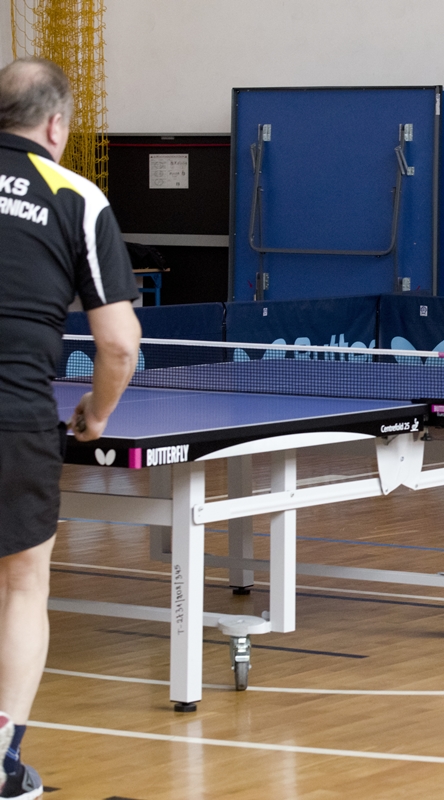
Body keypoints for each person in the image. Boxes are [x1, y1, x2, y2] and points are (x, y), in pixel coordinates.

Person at [0, 57, 141, 798]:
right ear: (56, 125)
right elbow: (118, 344)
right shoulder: (75, 197)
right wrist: (98, 413)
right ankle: (0, 762)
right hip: (14, 414)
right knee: (22, 582)